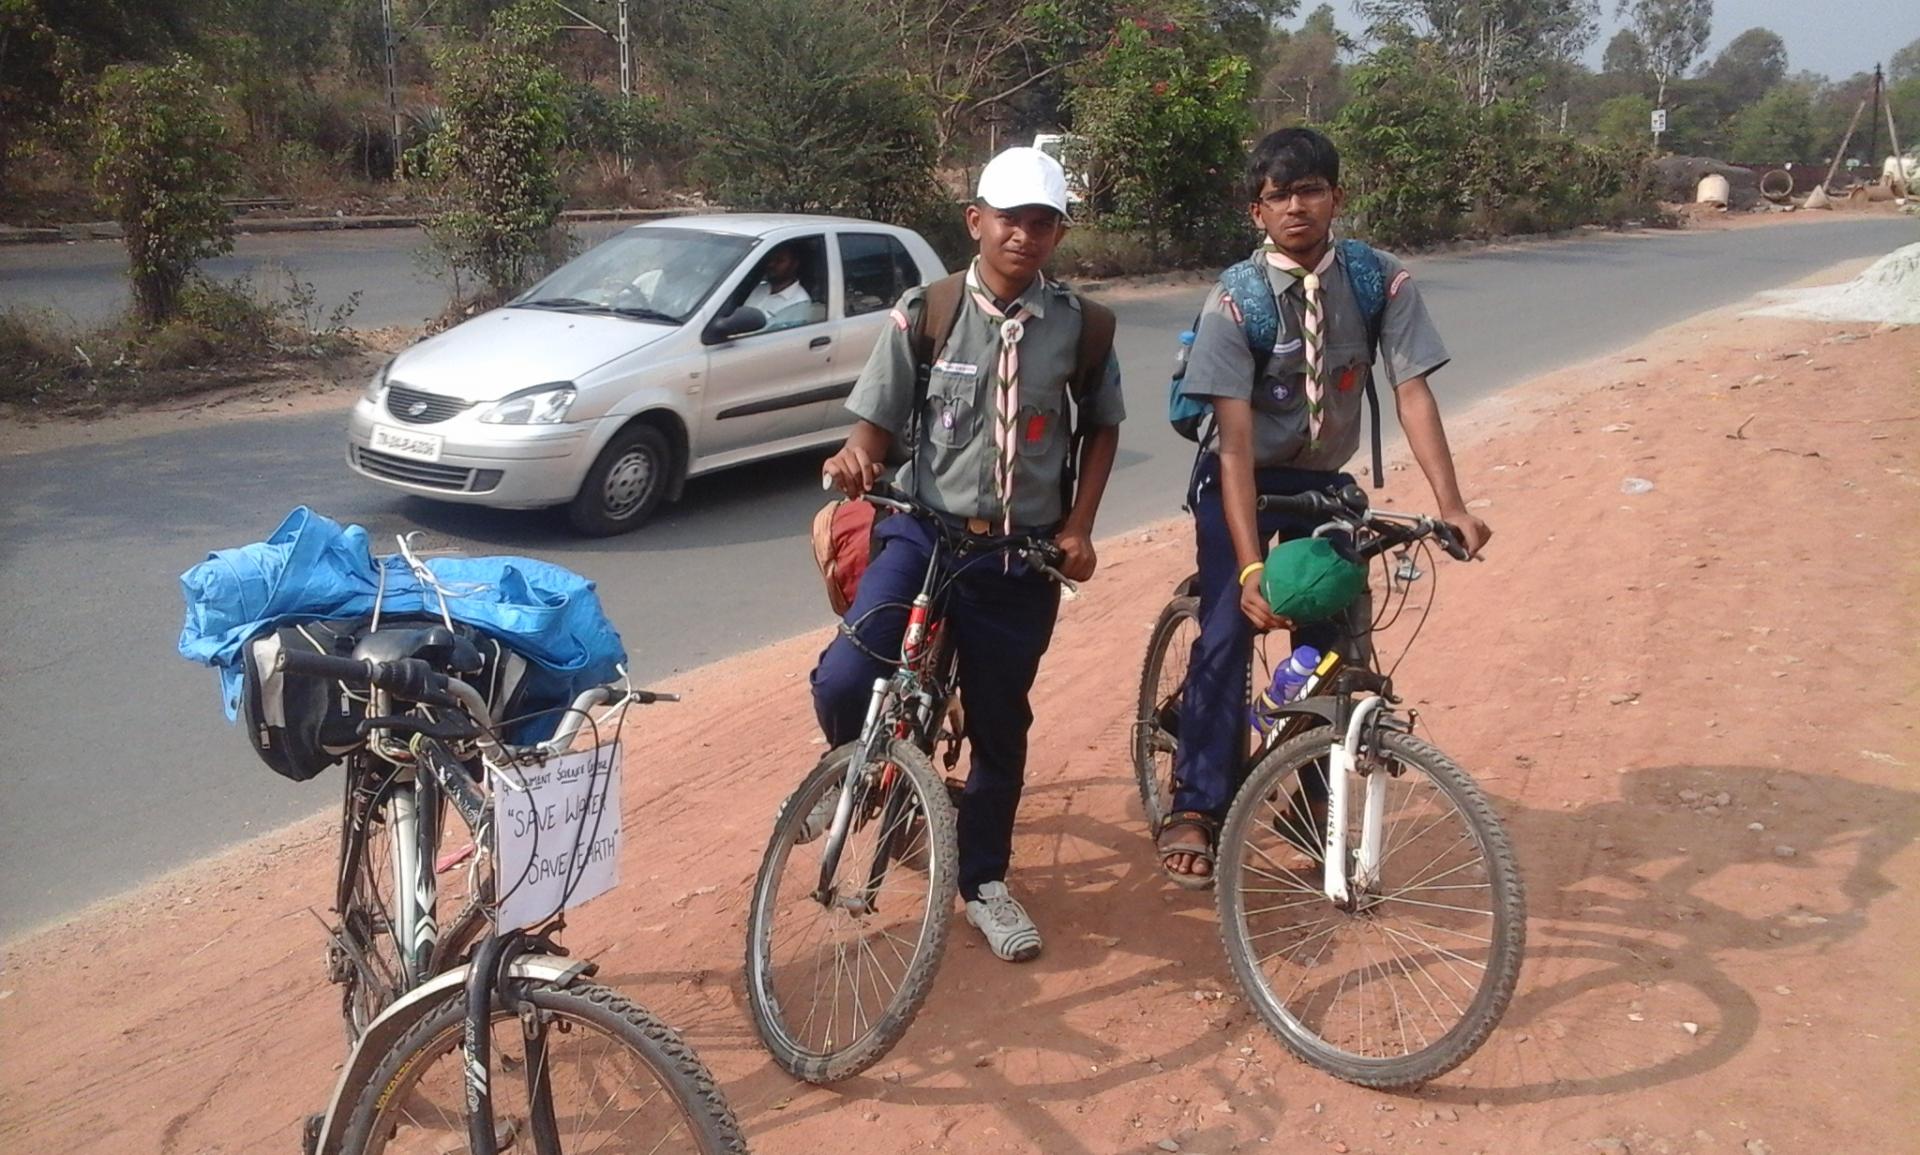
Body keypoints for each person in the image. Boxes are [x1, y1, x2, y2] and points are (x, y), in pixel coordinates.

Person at [812, 146, 1124, 961]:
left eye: (1043, 222)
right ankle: (860, 771)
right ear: (975, 220)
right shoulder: (929, 310)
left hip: (1019, 557)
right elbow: (872, 429)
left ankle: (984, 880)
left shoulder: (1082, 327)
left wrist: (1080, 526)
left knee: (1000, 723)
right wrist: (855, 460)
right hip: (922, 531)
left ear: (1059, 233)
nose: (1025, 234)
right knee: (848, 675)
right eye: (1010, 218)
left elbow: (1102, 428)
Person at [1157, 127, 1493, 886]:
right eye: (1279, 195)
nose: (1296, 207)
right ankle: (1197, 802)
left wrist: (1453, 505)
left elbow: (1412, 390)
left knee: (1337, 648)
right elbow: (1235, 446)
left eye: (1310, 189)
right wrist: (1247, 569)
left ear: (1337, 197)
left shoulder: (1380, 280)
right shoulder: (1235, 300)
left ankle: (1311, 801)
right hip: (1243, 481)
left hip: (1323, 486)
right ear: (1258, 211)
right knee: (1227, 629)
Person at [742, 241, 815, 328]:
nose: (771, 264)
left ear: (794, 264)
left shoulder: (799, 303)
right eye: (771, 259)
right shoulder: (760, 288)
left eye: (779, 260)